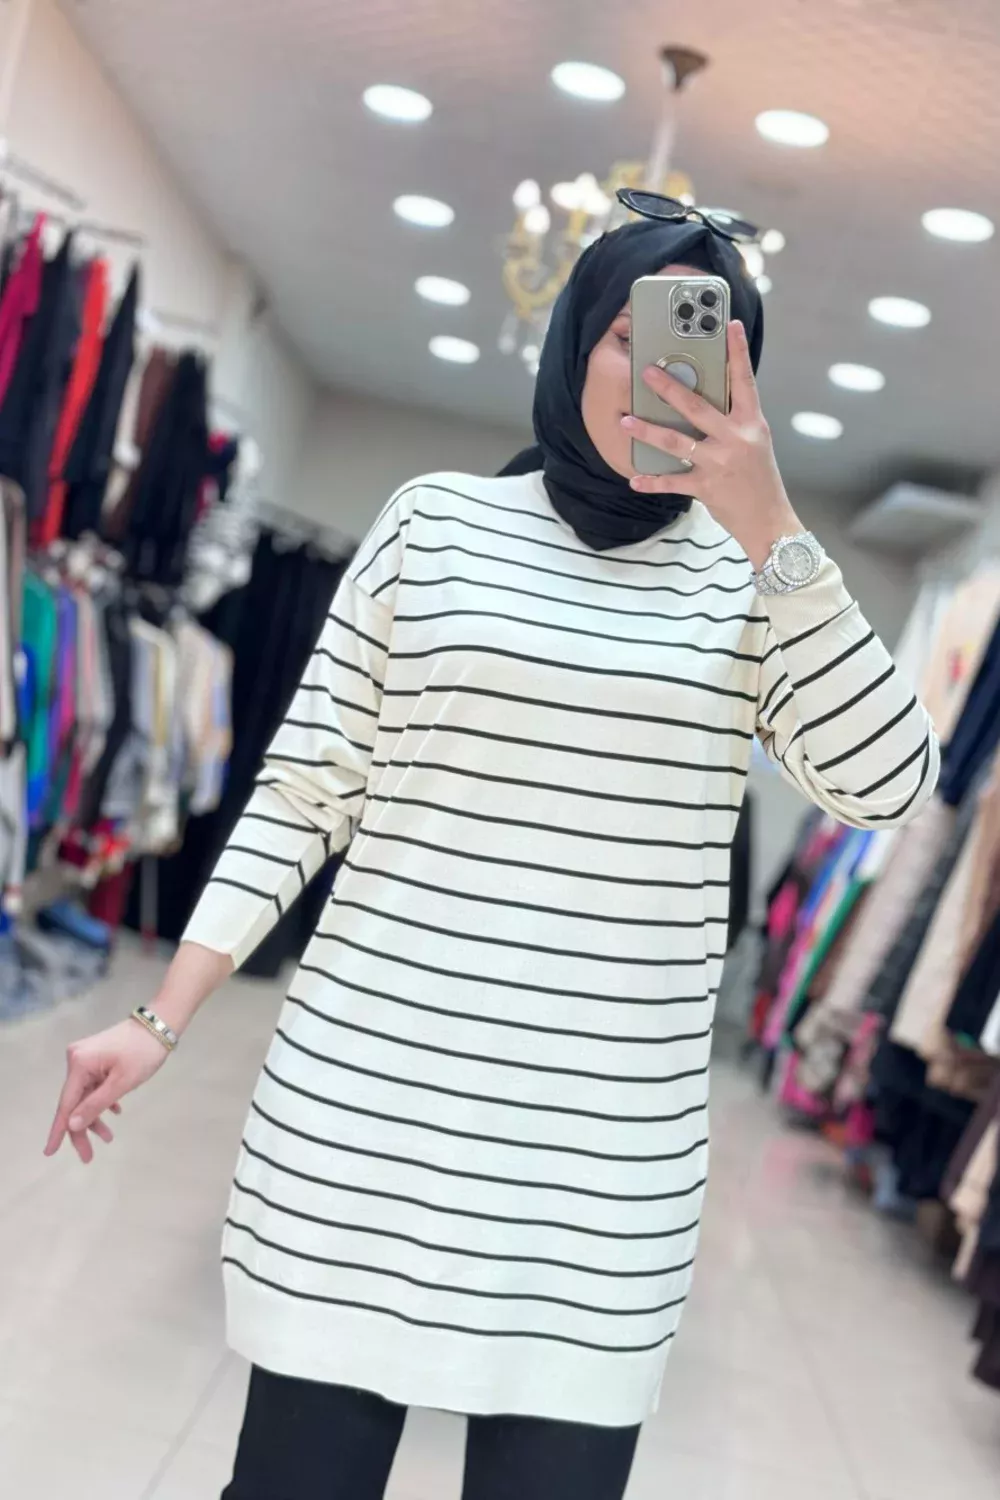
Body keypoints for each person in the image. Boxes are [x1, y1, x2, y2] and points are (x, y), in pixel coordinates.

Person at [45, 206, 938, 1500]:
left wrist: (774, 530)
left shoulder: (757, 583)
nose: (662, 370)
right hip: (364, 1120)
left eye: (704, 345)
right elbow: (302, 792)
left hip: (600, 1175)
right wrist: (157, 1017)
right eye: (630, 334)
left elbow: (890, 785)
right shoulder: (437, 525)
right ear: (574, 340)